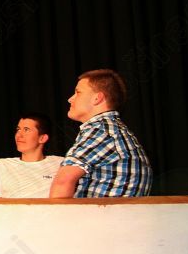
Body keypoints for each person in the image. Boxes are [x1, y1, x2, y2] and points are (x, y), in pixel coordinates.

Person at [49, 69, 152, 198]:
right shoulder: (113, 130)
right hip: (113, 209)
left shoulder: (102, 131)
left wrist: (54, 212)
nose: (70, 99)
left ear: (97, 98)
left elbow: (63, 182)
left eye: (78, 92)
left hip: (104, 211)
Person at [0, 113, 64, 198]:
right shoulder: (2, 165)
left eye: (26, 130)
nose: (18, 135)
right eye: (18, 129)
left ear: (42, 138)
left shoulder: (61, 163)